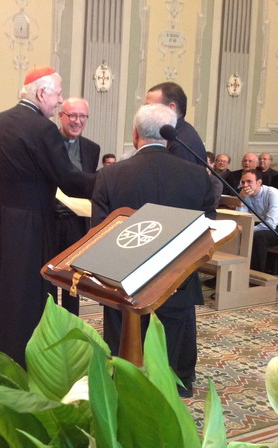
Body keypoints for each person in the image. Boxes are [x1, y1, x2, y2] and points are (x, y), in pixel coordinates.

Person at [0, 66, 95, 366]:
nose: (60, 101)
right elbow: (68, 180)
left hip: (2, 219)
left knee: (2, 286)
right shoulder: (43, 128)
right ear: (41, 93)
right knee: (27, 292)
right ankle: (24, 356)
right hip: (32, 223)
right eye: (58, 94)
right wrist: (109, 181)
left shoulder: (0, 121)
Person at [91, 103, 215, 398]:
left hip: (124, 281)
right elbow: (207, 231)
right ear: (171, 136)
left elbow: (98, 234)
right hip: (178, 278)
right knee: (174, 345)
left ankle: (126, 388)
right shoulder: (199, 175)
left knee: (124, 345)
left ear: (135, 134)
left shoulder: (110, 175)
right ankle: (176, 386)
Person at [55, 97, 100, 314]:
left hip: (77, 223)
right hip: (50, 220)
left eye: (82, 116)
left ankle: (71, 320)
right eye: (72, 115)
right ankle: (46, 321)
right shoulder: (47, 144)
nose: (77, 121)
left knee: (74, 278)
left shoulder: (92, 149)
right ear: (60, 116)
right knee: (47, 275)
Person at [145, 82, 207, 167]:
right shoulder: (177, 132)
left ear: (171, 108)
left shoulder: (181, 145)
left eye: (150, 107)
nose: (145, 112)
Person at [236, 169, 278, 272]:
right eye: (243, 182)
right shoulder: (245, 194)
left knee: (258, 237)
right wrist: (241, 200)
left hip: (274, 227)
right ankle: (232, 271)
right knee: (234, 233)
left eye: (249, 181)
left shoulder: (272, 193)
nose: (245, 185)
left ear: (259, 182)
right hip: (260, 225)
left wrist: (247, 230)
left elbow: (271, 224)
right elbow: (242, 218)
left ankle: (256, 274)